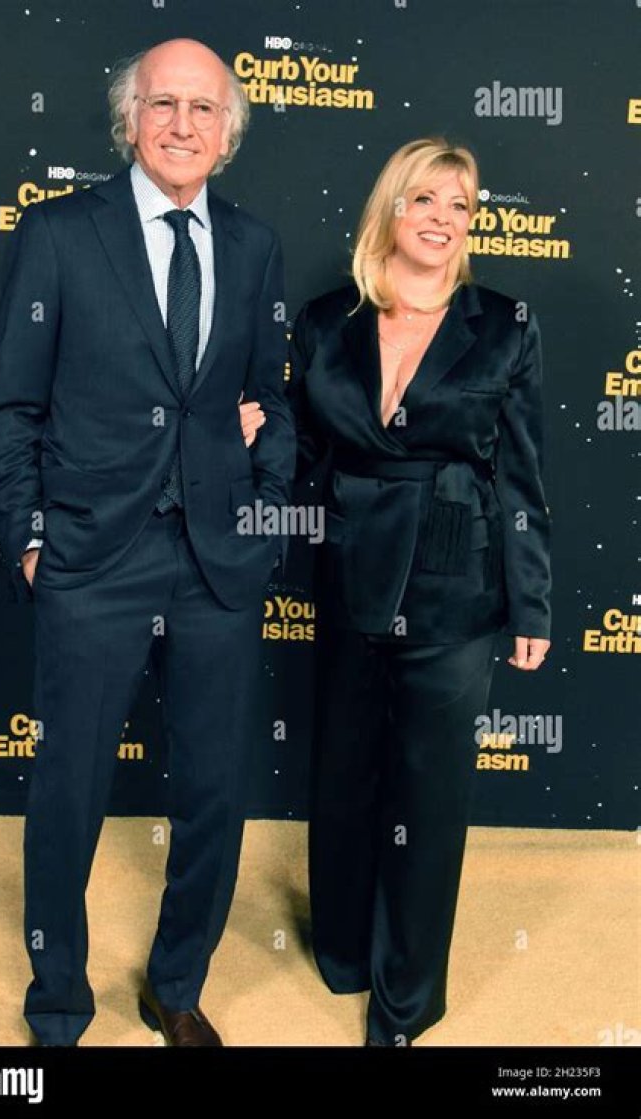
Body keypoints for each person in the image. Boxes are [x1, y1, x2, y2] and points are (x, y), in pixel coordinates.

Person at [0, 38, 295, 1047]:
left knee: (214, 794)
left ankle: (176, 984)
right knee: (67, 791)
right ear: (130, 119)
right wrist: (32, 541)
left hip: (216, 563)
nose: (183, 125)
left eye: (204, 108)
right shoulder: (59, 233)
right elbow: (11, 406)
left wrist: (263, 515)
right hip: (91, 558)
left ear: (228, 131)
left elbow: (273, 400)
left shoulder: (253, 246)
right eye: (164, 104)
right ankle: (58, 1001)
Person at [251, 137, 552, 1046]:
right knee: (344, 774)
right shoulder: (325, 321)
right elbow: (302, 455)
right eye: (425, 199)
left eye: (461, 206)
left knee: (429, 795)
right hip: (349, 568)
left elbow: (521, 478)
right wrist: (251, 436)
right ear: (391, 207)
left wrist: (531, 603)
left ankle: (406, 1004)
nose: (443, 220)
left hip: (458, 577)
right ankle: (343, 953)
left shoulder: (504, 324)